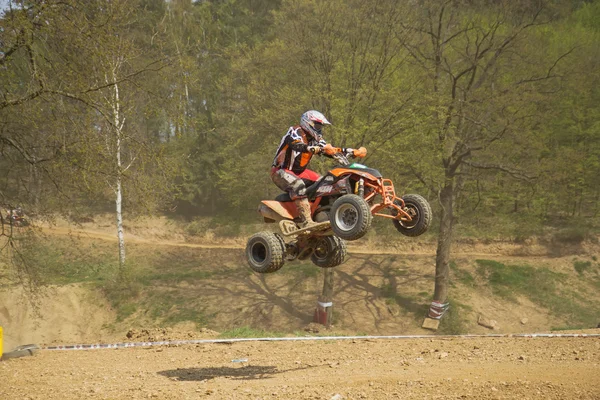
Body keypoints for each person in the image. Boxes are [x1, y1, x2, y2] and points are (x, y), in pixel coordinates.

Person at [270, 110, 340, 229]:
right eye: (317, 125)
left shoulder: (315, 138)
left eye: (320, 126)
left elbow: (329, 149)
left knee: (324, 183)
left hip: (300, 172)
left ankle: (321, 214)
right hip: (281, 171)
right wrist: (311, 148)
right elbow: (296, 145)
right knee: (298, 185)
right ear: (308, 123)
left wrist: (350, 151)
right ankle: (307, 221)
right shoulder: (294, 131)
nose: (319, 129)